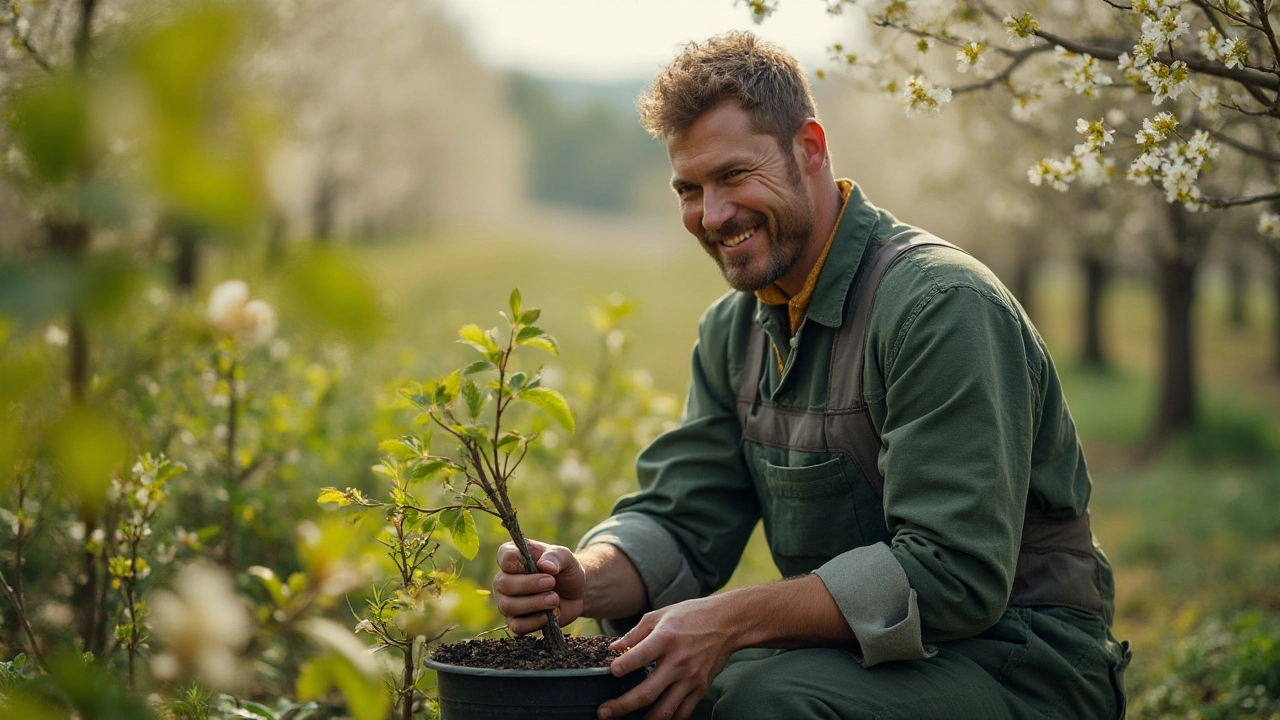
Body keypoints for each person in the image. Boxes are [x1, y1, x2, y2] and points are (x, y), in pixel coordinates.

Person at [492, 31, 1130, 720]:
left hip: (1019, 662)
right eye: (690, 188)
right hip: (861, 660)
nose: (712, 216)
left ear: (812, 149)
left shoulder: (939, 308)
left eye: (734, 175)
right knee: (649, 678)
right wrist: (584, 577)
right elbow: (685, 517)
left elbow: (954, 575)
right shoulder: (732, 330)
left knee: (763, 701)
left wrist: (732, 619)